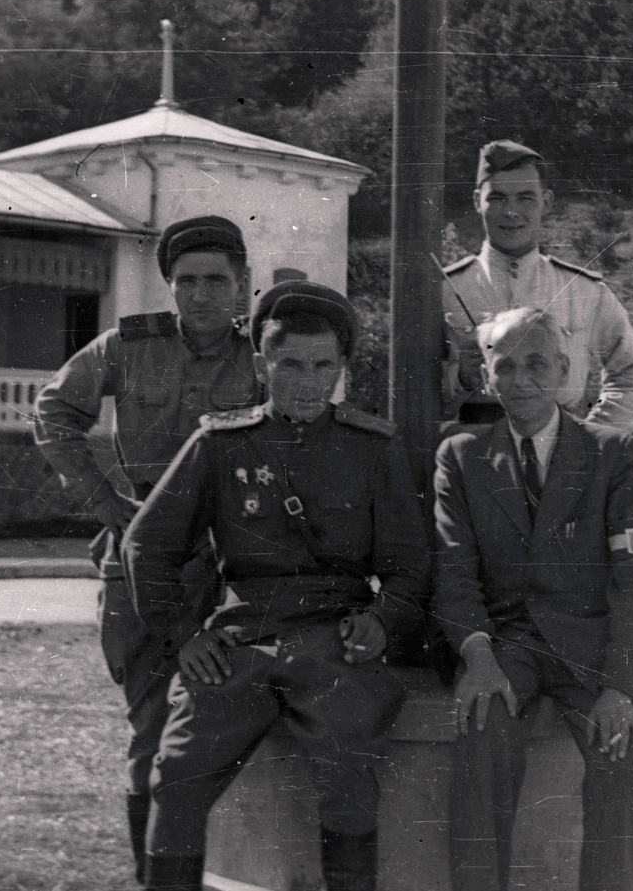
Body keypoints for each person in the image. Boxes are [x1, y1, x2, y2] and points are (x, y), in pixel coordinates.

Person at [123, 281, 430, 891]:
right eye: (291, 364)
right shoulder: (220, 444)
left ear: (341, 368)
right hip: (241, 641)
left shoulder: (372, 449)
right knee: (176, 775)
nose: (307, 381)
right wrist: (185, 637)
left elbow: (409, 564)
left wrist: (381, 621)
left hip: (333, 639)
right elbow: (146, 544)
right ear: (263, 364)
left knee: (349, 775)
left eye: (324, 366)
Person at [34, 215, 260, 884]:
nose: (201, 295)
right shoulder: (127, 347)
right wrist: (108, 504)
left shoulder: (262, 356)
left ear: (242, 285)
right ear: (169, 287)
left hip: (227, 561)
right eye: (186, 281)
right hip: (138, 558)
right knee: (150, 730)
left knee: (226, 724)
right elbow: (52, 410)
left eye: (216, 280)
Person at [432, 307, 633, 891]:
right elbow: (454, 569)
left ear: (565, 371)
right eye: (504, 365)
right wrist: (478, 657)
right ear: (486, 375)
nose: (520, 379)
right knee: (481, 726)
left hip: (589, 649)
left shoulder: (616, 455)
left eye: (536, 363)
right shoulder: (461, 457)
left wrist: (623, 686)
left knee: (618, 751)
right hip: (508, 645)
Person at [441, 140, 633, 434]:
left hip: (560, 454)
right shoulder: (443, 290)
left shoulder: (582, 290)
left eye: (526, 198)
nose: (511, 212)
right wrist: (459, 378)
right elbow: (410, 388)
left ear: (548, 202)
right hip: (472, 452)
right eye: (498, 198)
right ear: (477, 201)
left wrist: (593, 439)